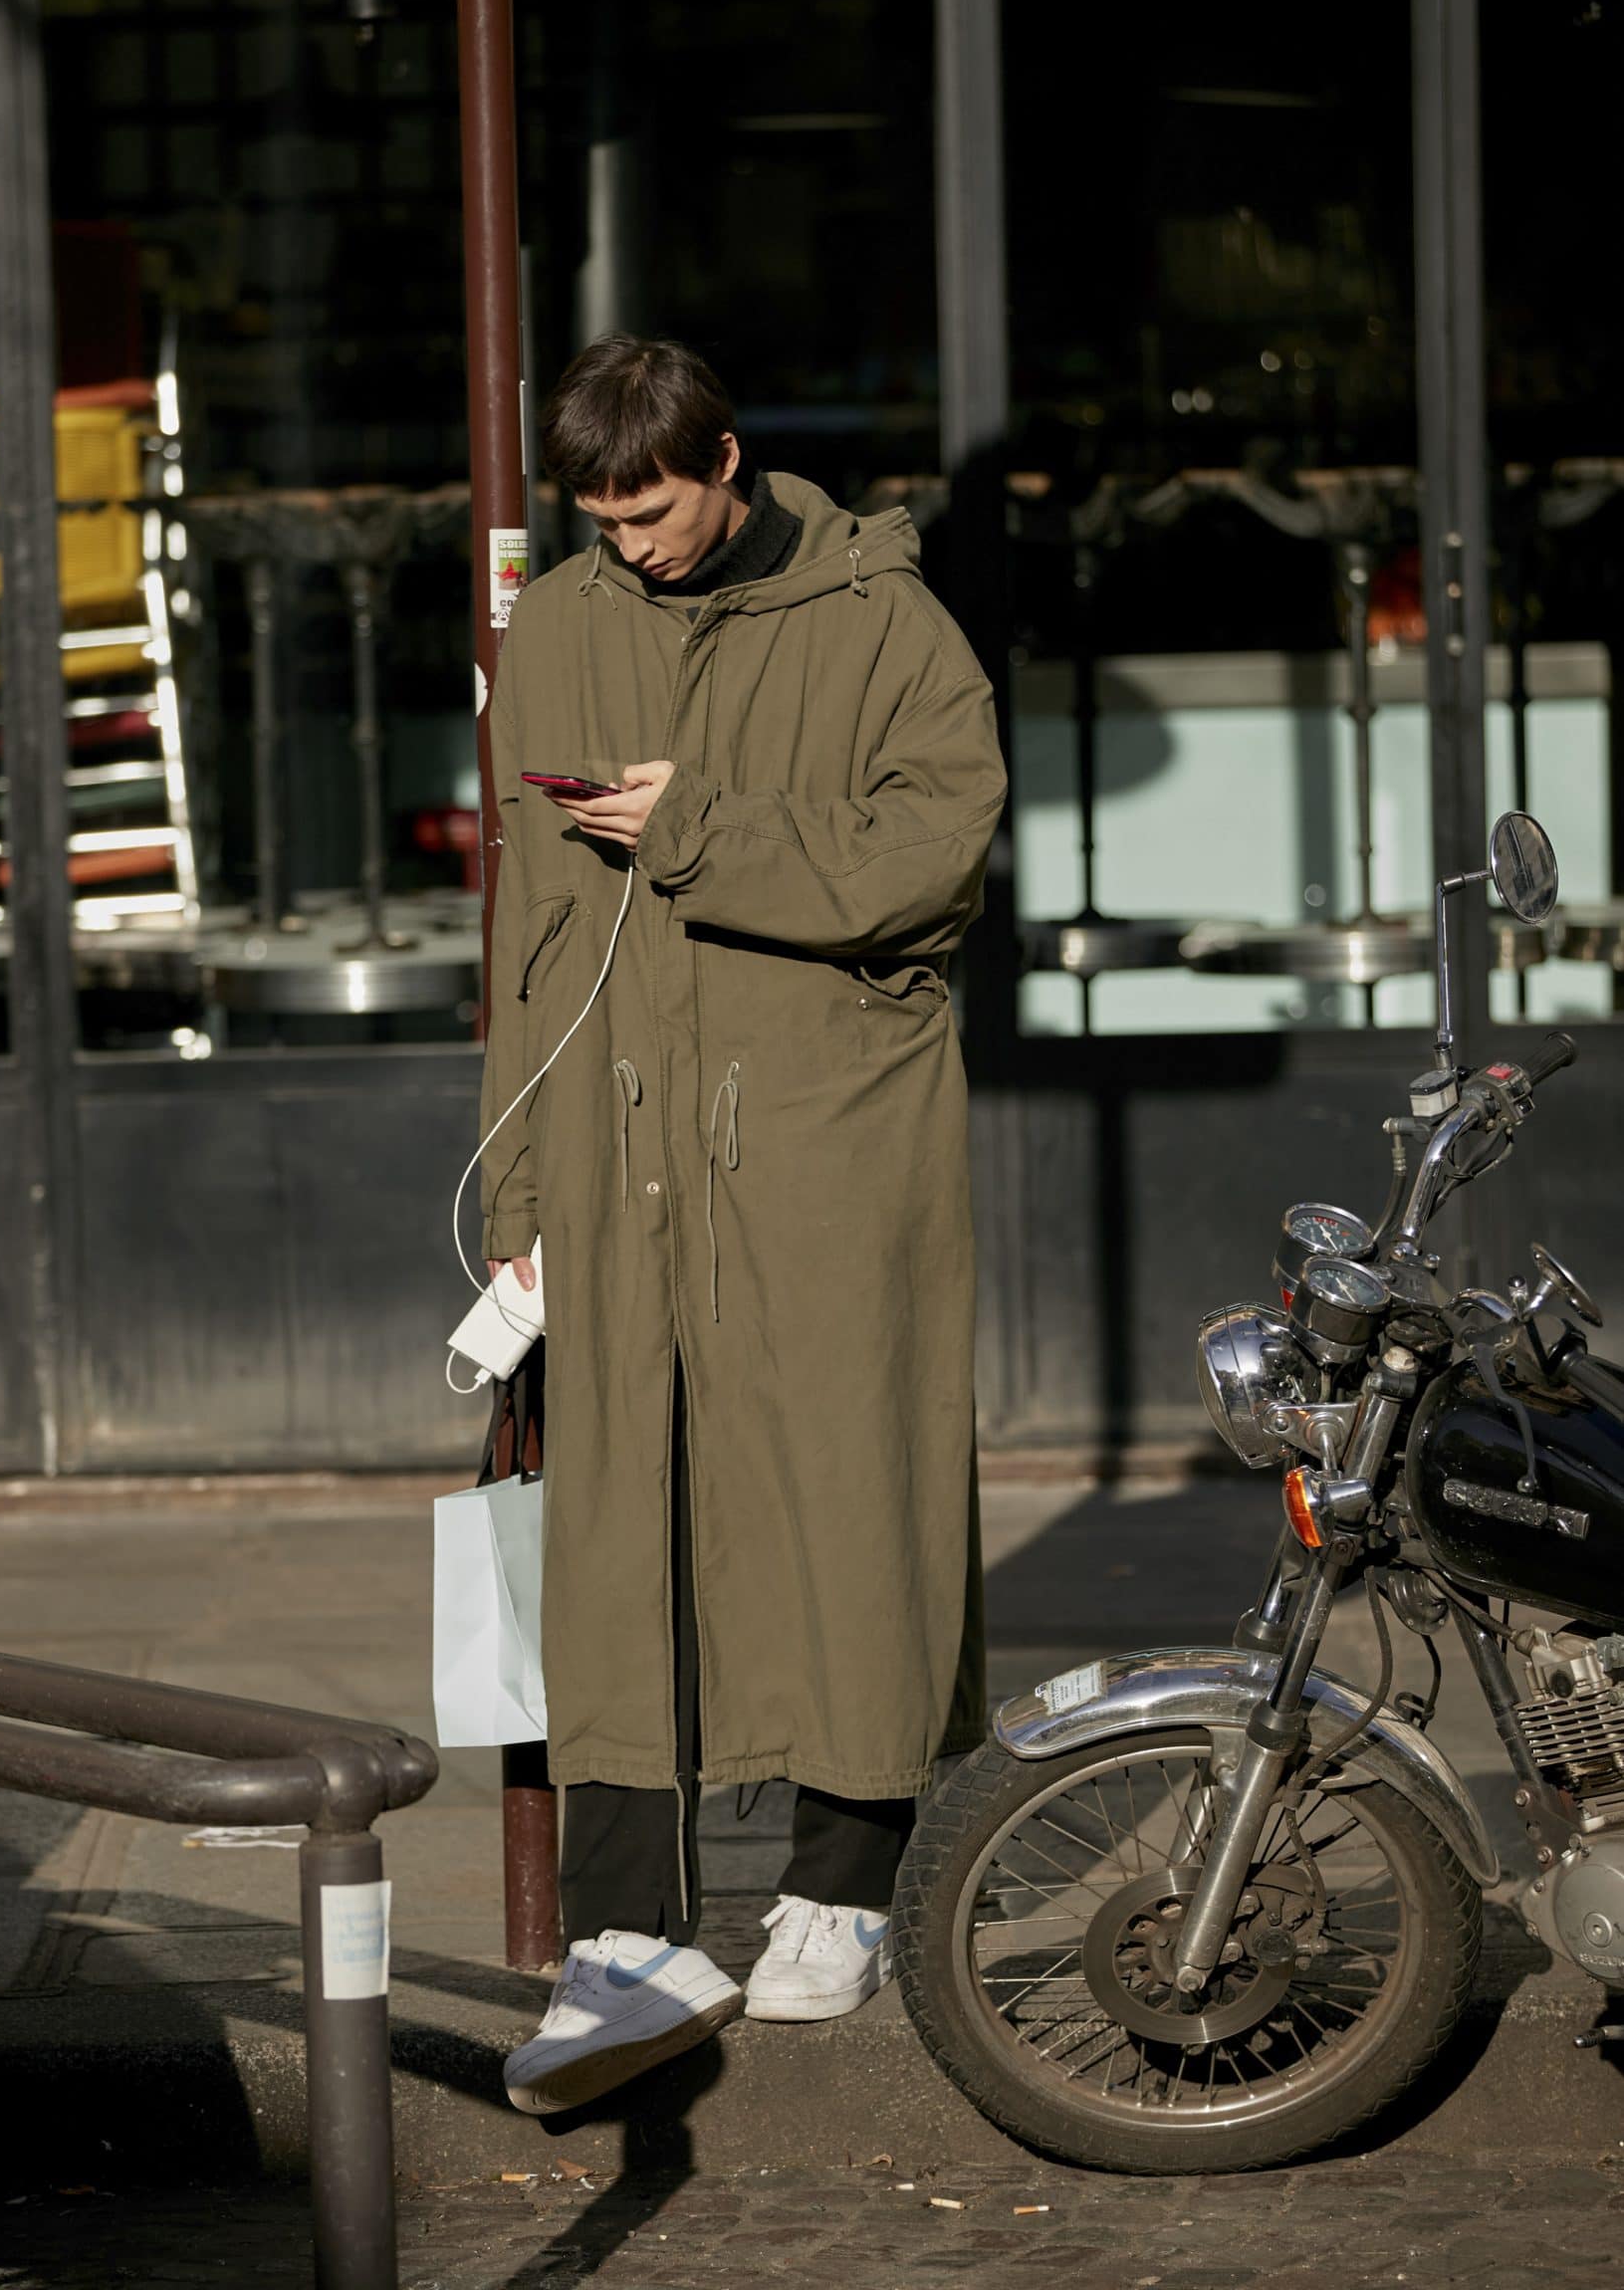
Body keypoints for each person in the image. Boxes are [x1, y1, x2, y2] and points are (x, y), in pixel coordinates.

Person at [481, 335, 1007, 2116]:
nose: (634, 548)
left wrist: (701, 831)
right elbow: (528, 939)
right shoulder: (553, 628)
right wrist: (521, 1194)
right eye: (603, 522)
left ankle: (840, 1887)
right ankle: (625, 1926)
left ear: (725, 458)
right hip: (612, 1137)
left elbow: (940, 850)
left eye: (657, 511)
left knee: (845, 1483)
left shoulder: (884, 618)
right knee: (618, 1515)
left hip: (823, 1133)